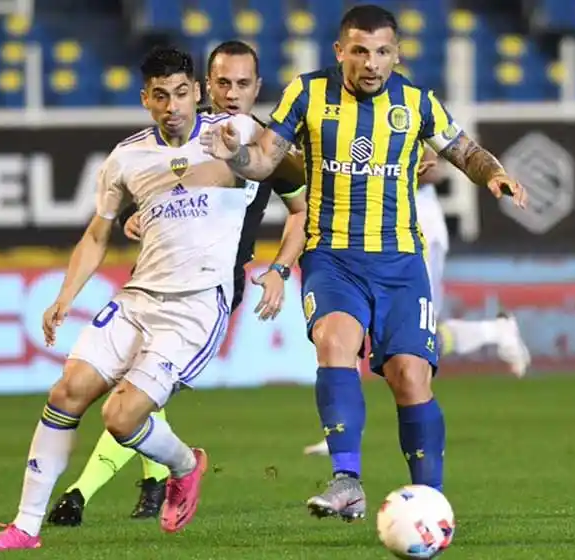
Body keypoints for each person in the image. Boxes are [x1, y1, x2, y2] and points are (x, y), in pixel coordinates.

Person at [202, 4, 526, 521]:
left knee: (410, 377)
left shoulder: (417, 103)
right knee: (335, 342)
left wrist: (493, 174)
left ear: (396, 54)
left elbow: (464, 150)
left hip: (400, 262)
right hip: (332, 255)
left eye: (382, 52)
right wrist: (236, 157)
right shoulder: (306, 94)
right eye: (359, 51)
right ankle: (346, 481)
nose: (371, 63)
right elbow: (264, 159)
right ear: (340, 52)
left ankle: (431, 500)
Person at [0, 46, 286, 551]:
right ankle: (24, 528)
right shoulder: (127, 156)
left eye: (182, 93)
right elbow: (97, 234)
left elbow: (265, 163)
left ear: (198, 92)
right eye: (161, 96)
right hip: (139, 296)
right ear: (146, 99)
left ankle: (185, 465)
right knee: (65, 393)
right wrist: (64, 296)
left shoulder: (234, 131)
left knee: (121, 418)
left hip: (197, 304)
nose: (173, 106)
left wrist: (240, 160)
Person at [45, 40, 307, 528]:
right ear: (206, 87)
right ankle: (144, 479)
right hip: (153, 282)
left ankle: (95, 488)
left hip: (211, 290)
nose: (232, 94)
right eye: (223, 84)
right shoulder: (185, 134)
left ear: (258, 88)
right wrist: (139, 219)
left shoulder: (268, 147)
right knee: (132, 393)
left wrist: (280, 268)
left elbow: (301, 211)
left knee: (132, 395)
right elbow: (145, 197)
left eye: (243, 84)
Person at [301, 149, 530, 457]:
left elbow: (438, 165)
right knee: (347, 327)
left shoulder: (410, 105)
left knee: (421, 338)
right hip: (368, 228)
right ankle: (343, 429)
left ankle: (496, 332)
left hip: (417, 226)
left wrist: (404, 167)